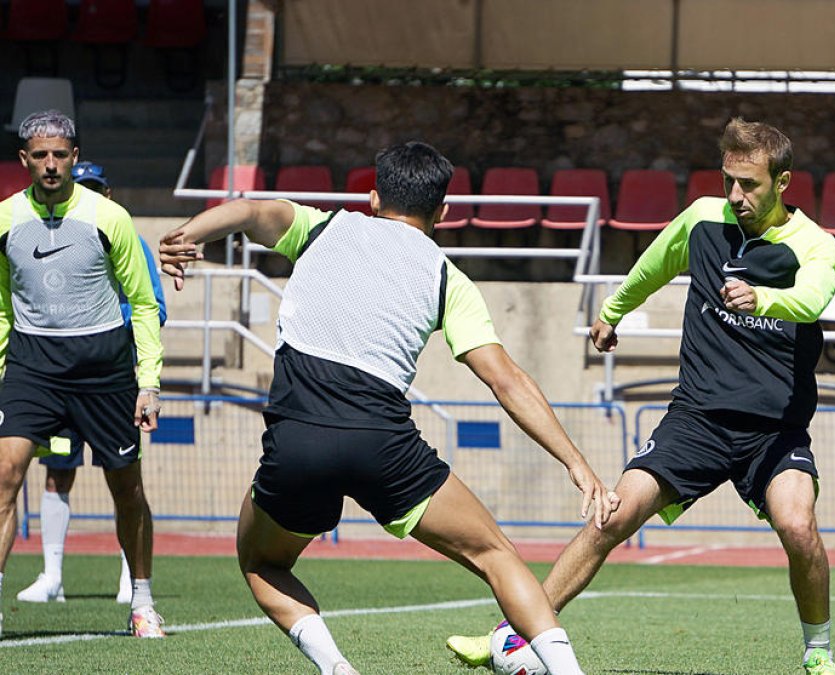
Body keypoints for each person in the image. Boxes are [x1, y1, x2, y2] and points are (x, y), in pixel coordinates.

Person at [158, 141, 617, 675]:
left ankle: (336, 668)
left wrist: (189, 233)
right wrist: (575, 461)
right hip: (384, 445)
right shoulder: (448, 278)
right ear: (442, 213)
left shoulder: (321, 228)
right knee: (497, 556)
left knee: (262, 562)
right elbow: (506, 379)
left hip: (298, 440)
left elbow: (250, 209)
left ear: (372, 198)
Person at [447, 118, 835, 675]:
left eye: (749, 184)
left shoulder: (816, 245)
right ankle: (511, 636)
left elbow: (814, 297)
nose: (735, 195)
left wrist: (764, 299)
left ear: (782, 182)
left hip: (774, 429)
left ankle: (818, 651)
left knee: (798, 527)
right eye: (728, 180)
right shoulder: (704, 219)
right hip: (697, 420)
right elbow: (652, 265)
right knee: (611, 516)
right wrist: (612, 312)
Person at [0, 110, 165, 638]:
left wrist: (149, 381)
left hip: (104, 369)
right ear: (24, 159)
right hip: (31, 365)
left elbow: (141, 303)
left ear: (74, 156)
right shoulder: (4, 220)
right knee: (5, 476)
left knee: (126, 488)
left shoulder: (109, 217)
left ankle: (141, 602)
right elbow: (3, 304)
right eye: (41, 155)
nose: (51, 164)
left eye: (60, 154)